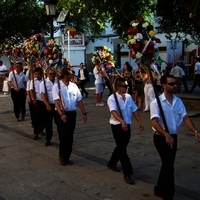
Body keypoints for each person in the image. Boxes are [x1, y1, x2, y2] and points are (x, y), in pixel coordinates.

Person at [150, 74, 200, 200]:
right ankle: (168, 195)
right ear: (163, 85)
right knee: (169, 166)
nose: (175, 86)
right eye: (171, 84)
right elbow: (154, 122)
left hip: (173, 136)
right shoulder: (156, 102)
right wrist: (166, 134)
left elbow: (185, 117)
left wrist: (195, 130)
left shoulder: (178, 101)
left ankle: (159, 188)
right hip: (161, 137)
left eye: (175, 83)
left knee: (168, 164)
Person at [107, 77, 144, 184]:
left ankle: (112, 162)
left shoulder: (128, 97)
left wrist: (139, 122)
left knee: (121, 147)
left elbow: (134, 110)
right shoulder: (112, 98)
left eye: (127, 86)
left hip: (127, 125)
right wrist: (121, 121)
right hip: (117, 125)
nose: (127, 88)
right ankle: (127, 173)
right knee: (123, 150)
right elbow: (113, 112)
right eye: (124, 86)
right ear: (118, 87)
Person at [52, 67, 87, 166]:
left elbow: (79, 100)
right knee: (64, 135)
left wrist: (84, 113)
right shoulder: (57, 86)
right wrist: (61, 114)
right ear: (65, 75)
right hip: (62, 113)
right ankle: (62, 156)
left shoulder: (74, 86)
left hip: (72, 113)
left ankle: (67, 156)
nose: (72, 76)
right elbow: (56, 102)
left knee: (70, 136)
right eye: (70, 74)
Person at [40, 68, 61, 146]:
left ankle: (61, 137)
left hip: (57, 105)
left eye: (53, 74)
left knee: (59, 122)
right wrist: (47, 105)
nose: (52, 75)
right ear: (47, 74)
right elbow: (42, 95)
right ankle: (48, 138)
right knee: (48, 123)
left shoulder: (58, 81)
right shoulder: (44, 83)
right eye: (50, 74)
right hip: (49, 104)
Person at [30, 67, 46, 139]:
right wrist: (33, 99)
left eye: (39, 74)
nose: (38, 75)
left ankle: (41, 130)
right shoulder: (33, 81)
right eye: (36, 74)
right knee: (35, 117)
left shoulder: (44, 81)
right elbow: (31, 91)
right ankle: (35, 132)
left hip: (43, 101)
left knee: (43, 117)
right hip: (36, 100)